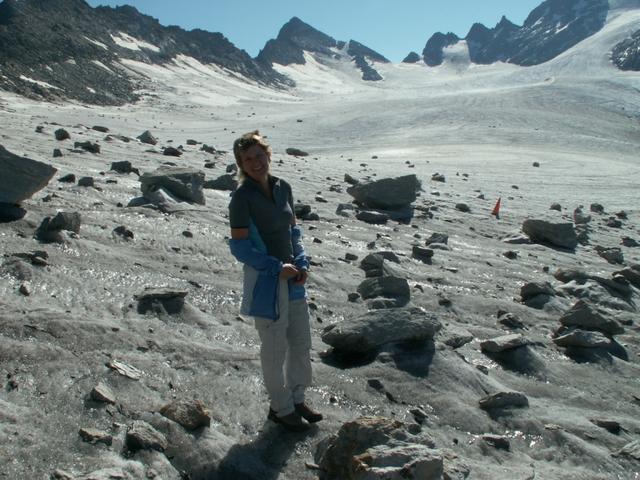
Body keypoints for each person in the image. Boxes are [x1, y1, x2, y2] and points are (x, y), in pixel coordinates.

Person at [228, 130, 322, 432]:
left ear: (268, 154)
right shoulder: (242, 198)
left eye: (259, 155)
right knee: (274, 350)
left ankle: (297, 399)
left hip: (293, 281)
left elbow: (293, 232)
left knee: (301, 344)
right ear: (241, 164)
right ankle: (280, 408)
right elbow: (240, 247)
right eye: (248, 159)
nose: (256, 163)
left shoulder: (284, 188)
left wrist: (301, 261)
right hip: (266, 283)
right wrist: (275, 267)